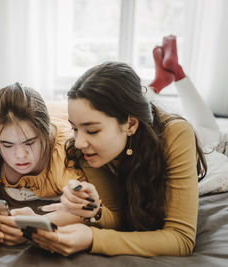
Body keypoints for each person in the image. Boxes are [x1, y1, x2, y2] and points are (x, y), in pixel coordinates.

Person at [30, 36, 207, 256]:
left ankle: (174, 74)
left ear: (130, 124)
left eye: (92, 130)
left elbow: (181, 238)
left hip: (211, 151)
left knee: (208, 126)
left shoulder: (175, 135)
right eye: (75, 128)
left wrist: (93, 238)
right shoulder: (84, 149)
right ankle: (160, 81)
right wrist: (95, 210)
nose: (80, 141)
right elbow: (119, 215)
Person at [0, 83, 85, 246]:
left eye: (30, 142)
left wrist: (37, 225)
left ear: (46, 133)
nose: (20, 155)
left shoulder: (67, 151)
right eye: (7, 145)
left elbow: (85, 210)